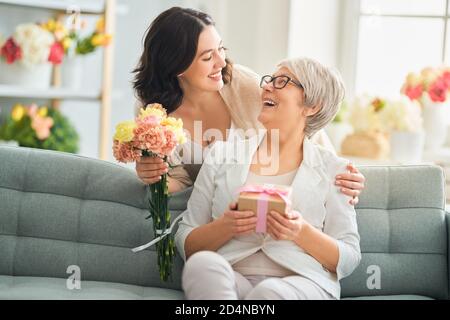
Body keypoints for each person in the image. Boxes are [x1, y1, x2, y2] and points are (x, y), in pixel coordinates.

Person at [132, 7, 365, 204]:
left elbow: (303, 127)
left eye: (221, 49)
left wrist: (339, 178)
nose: (221, 62)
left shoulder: (242, 84)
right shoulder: (152, 114)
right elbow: (180, 183)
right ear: (177, 66)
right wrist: (153, 176)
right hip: (215, 212)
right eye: (207, 57)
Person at [175, 57, 361, 300]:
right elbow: (185, 240)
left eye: (282, 81)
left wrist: (299, 231)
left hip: (303, 281)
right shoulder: (222, 155)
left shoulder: (335, 170)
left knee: (270, 292)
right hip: (232, 276)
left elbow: (349, 257)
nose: (267, 86)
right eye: (270, 80)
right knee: (202, 266)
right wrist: (226, 226)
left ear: (312, 105)